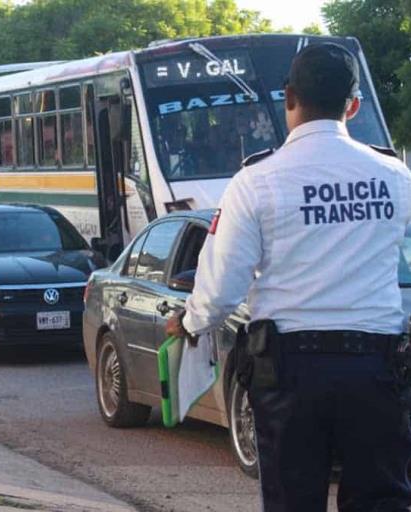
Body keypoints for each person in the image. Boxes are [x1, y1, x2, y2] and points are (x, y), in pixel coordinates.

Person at [166, 43, 411, 511]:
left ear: (289, 97)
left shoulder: (257, 180)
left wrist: (191, 322)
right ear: (353, 104)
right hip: (377, 368)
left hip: (289, 371)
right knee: (382, 500)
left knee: (293, 501)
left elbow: (222, 287)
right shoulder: (395, 176)